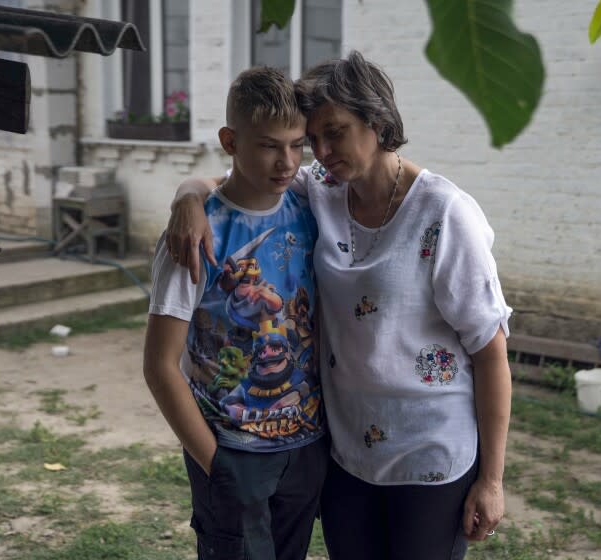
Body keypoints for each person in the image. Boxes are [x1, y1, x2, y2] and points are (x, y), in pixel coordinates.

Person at [166, 51, 513, 560]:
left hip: (430, 456)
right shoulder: (321, 190)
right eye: (314, 139)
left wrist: (493, 479)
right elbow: (236, 179)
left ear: (377, 121)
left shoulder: (444, 213)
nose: (320, 151)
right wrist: (187, 198)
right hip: (345, 454)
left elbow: (490, 352)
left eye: (336, 132)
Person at [143, 66, 328, 560]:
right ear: (230, 140)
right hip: (233, 451)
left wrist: (188, 189)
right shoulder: (195, 237)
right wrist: (215, 463)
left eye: (297, 144)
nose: (286, 161)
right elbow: (161, 365)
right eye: (269, 145)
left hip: (305, 448)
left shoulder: (311, 207)